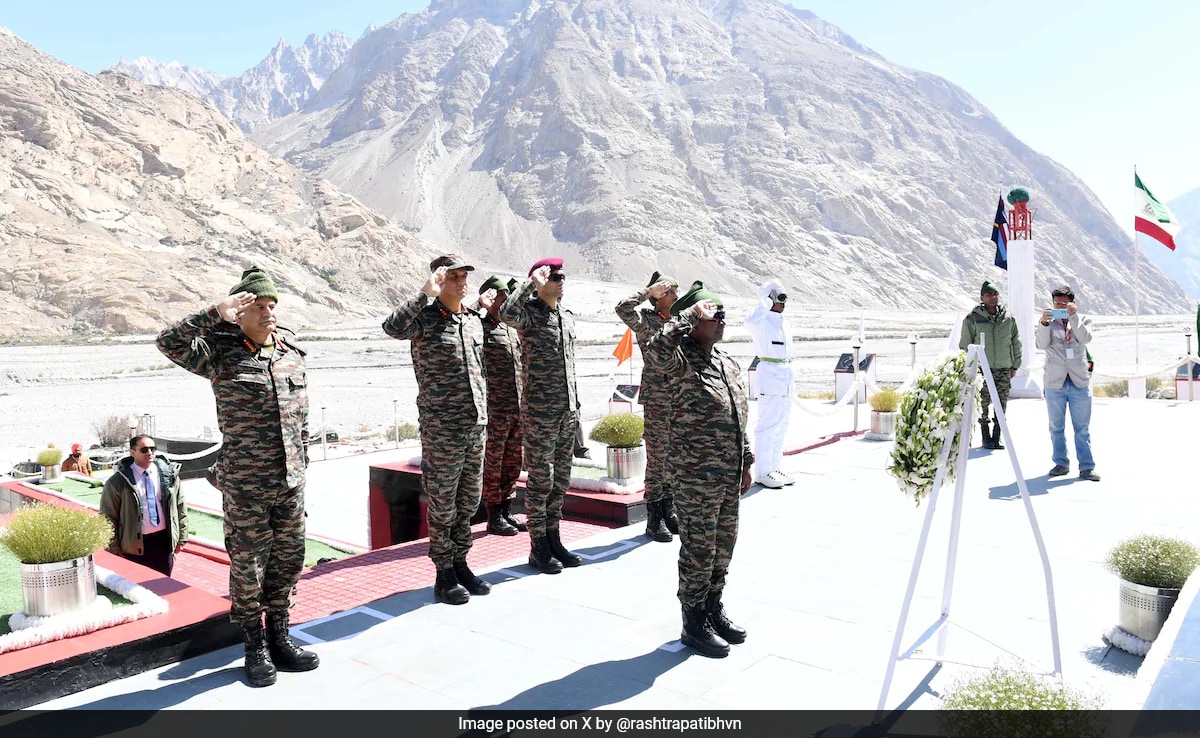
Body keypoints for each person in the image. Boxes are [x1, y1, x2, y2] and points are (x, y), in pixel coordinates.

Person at [156, 266, 319, 688]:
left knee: (288, 562)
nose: (267, 313)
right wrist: (215, 311)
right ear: (239, 313)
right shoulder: (219, 354)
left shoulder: (290, 354)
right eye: (257, 306)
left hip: (290, 485)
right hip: (246, 487)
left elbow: (300, 417)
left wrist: (302, 465)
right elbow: (167, 341)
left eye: (271, 306)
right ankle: (253, 645)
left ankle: (280, 635)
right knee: (249, 566)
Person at [645, 281, 753, 658]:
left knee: (724, 547)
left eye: (723, 313)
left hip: (728, 474)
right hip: (695, 477)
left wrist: (748, 460)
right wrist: (688, 314)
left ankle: (712, 608)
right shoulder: (680, 360)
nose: (721, 320)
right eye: (713, 314)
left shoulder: (726, 361)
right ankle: (693, 622)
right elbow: (655, 349)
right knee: (699, 550)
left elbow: (738, 414)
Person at [383, 256, 494, 603]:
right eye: (453, 277)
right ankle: (443, 572)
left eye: (464, 276)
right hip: (442, 428)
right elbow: (392, 327)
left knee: (468, 501)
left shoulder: (474, 320)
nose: (461, 282)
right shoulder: (425, 320)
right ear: (439, 280)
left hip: (476, 426)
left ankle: (461, 562)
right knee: (443, 503)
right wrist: (423, 293)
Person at [499, 257, 583, 574]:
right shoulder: (529, 314)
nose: (560, 280)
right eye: (553, 276)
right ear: (539, 281)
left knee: (560, 481)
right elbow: (506, 313)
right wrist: (528, 284)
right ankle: (538, 547)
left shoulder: (567, 316)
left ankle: (554, 538)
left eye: (563, 275)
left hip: (567, 411)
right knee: (540, 481)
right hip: (540, 413)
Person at [615, 271, 681, 543]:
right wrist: (647, 291)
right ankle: (654, 518)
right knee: (657, 459)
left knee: (674, 457)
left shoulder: (679, 320)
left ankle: (669, 509)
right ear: (660, 296)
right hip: (657, 398)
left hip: (679, 396)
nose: (677, 296)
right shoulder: (645, 321)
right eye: (672, 292)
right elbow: (622, 308)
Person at [478, 275, 527, 536]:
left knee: (512, 461)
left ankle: (507, 510)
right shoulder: (479, 327)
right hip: (494, 409)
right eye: (500, 296)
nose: (506, 300)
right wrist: (479, 307)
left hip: (516, 407)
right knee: (493, 463)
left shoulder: (511, 329)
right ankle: (493, 514)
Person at [1035, 284, 1099, 481]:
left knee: (1082, 428)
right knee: (1056, 426)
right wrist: (1044, 324)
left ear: (1073, 303)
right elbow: (1041, 344)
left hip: (1079, 381)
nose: (1060, 305)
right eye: (1057, 303)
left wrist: (1073, 317)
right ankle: (1061, 463)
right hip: (1055, 382)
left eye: (1064, 303)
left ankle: (1087, 467)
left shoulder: (1083, 319)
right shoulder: (1048, 322)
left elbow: (1085, 338)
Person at [99, 435, 187, 576]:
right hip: (135, 546)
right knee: (140, 587)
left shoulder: (168, 475)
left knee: (164, 585)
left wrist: (181, 538)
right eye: (144, 449)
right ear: (132, 452)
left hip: (164, 541)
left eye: (153, 449)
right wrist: (114, 549)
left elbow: (180, 506)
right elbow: (108, 517)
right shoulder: (118, 482)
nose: (150, 453)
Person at [744, 279, 795, 489]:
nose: (782, 302)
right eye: (778, 297)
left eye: (784, 297)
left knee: (782, 424)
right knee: (768, 424)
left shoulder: (784, 322)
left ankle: (775, 466)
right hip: (770, 375)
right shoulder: (760, 321)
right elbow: (749, 321)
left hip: (785, 375)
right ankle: (763, 471)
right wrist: (764, 302)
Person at [959, 281, 1022, 449]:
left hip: (1003, 367)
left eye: (994, 294)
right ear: (982, 297)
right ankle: (985, 436)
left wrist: (1015, 365)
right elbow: (965, 345)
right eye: (988, 295)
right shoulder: (972, 318)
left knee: (1002, 403)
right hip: (982, 369)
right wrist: (970, 367)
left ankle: (997, 436)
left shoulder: (1008, 318)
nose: (992, 297)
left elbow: (1016, 342)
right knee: (983, 403)